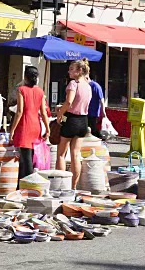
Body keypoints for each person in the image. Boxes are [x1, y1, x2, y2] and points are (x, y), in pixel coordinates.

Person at [56, 59, 92, 189]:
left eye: (72, 69)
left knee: (61, 154)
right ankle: (73, 186)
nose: (69, 71)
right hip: (83, 120)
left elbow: (70, 102)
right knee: (75, 154)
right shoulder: (88, 86)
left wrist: (60, 113)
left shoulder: (73, 84)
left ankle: (60, 185)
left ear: (79, 71)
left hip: (71, 119)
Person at [9, 66, 50, 183]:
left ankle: (28, 184)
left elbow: (19, 112)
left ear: (25, 77)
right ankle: (22, 185)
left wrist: (12, 130)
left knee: (25, 159)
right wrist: (47, 129)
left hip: (25, 126)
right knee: (30, 156)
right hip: (36, 125)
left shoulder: (21, 90)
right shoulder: (40, 91)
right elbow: (43, 112)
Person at [87, 72, 107, 139]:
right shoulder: (86, 86)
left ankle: (100, 137)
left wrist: (103, 112)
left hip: (93, 112)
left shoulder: (95, 86)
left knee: (92, 128)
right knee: (89, 128)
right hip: (86, 111)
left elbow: (101, 99)